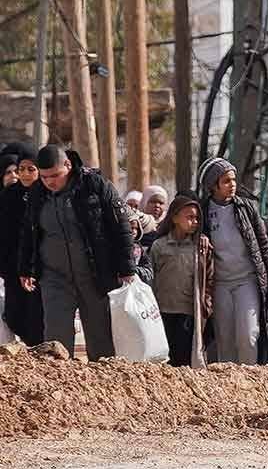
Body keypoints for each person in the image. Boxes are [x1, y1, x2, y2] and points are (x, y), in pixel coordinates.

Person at [18, 146, 136, 359]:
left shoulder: (94, 185)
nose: (50, 182)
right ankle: (57, 384)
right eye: (44, 177)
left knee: (100, 338)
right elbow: (29, 231)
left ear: (68, 165)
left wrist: (126, 267)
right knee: (55, 337)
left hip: (94, 273)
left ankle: (101, 385)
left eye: (55, 175)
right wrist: (25, 267)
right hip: (54, 277)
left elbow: (120, 227)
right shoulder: (37, 193)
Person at [197, 157, 268, 365]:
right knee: (225, 338)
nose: (232, 185)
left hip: (247, 280)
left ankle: (249, 381)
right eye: (226, 181)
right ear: (213, 185)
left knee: (248, 335)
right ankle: (229, 386)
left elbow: (263, 245)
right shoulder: (203, 211)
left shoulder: (247, 208)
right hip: (219, 284)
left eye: (233, 180)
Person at [149, 194, 215, 367]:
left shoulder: (200, 247)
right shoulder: (159, 246)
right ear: (175, 217)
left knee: (183, 361)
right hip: (161, 312)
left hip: (187, 312)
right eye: (190, 217)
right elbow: (150, 277)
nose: (194, 222)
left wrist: (206, 306)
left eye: (196, 218)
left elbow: (209, 278)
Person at [0, 149, 43, 345]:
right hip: (12, 267)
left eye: (30, 169)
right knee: (13, 316)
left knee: (35, 317)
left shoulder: (46, 195)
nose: (24, 174)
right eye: (21, 169)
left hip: (40, 267)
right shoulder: (9, 195)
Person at [123, 206, 154, 285]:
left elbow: (149, 271)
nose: (134, 231)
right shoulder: (115, 246)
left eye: (136, 228)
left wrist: (134, 271)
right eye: (131, 227)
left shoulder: (138, 248)